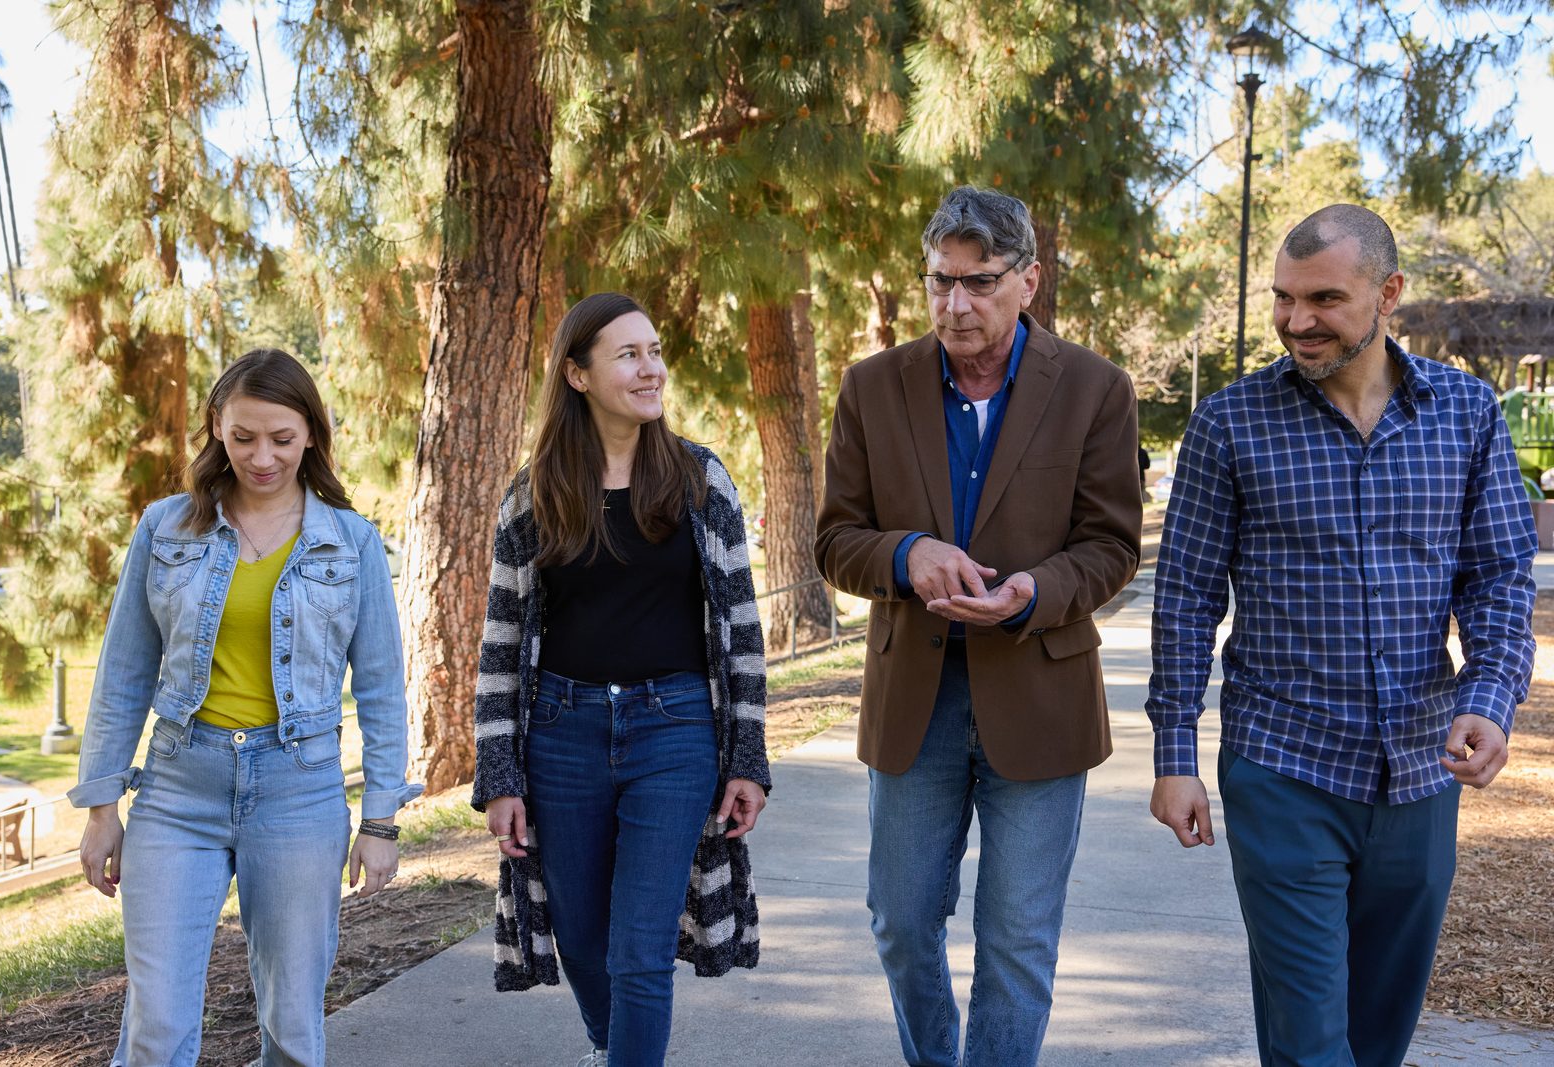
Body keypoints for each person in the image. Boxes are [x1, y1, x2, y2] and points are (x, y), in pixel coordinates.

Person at [1146, 204, 1535, 1067]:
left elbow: (1501, 576)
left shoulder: (1466, 414)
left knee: (1377, 1033)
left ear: (1389, 293)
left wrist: (1490, 699)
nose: (1296, 321)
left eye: (1324, 298)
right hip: (1283, 763)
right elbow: (1186, 598)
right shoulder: (1229, 423)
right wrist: (1175, 751)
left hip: (1421, 769)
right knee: (1311, 1039)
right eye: (1283, 298)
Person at [815, 185, 1142, 1067]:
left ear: (1029, 281)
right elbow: (834, 540)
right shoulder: (871, 388)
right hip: (914, 705)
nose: (955, 303)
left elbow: (1112, 547)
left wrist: (1034, 589)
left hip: (1039, 697)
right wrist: (905, 554)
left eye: (980, 282)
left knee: (1017, 942)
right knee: (900, 921)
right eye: (940, 282)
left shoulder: (1097, 390)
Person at [71, 348, 421, 1067]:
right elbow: (124, 672)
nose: (262, 456)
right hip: (177, 786)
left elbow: (383, 687)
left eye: (283, 439)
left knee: (293, 1029)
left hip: (300, 789)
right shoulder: (166, 528)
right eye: (243, 438)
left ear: (312, 435)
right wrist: (102, 804)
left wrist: (381, 818)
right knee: (155, 1029)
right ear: (217, 432)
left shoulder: (350, 542)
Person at [473, 292, 770, 1067]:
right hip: (561, 736)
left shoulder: (700, 480)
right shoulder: (531, 495)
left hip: (675, 731)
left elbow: (742, 631)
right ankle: (617, 1052)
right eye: (629, 355)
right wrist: (499, 773)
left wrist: (747, 757)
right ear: (577, 374)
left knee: (639, 948)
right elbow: (501, 646)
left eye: (655, 351)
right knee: (580, 934)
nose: (652, 369)